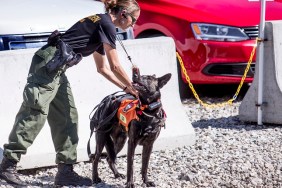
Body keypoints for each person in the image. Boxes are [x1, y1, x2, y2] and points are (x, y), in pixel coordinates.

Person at [0, 0, 140, 186]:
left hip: (58, 68)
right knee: (35, 114)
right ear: (123, 13)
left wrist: (125, 88)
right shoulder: (106, 24)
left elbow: (103, 69)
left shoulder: (102, 25)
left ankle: (65, 171)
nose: (133, 25)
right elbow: (115, 65)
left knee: (67, 116)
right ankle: (7, 166)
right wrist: (133, 87)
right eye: (134, 20)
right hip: (48, 64)